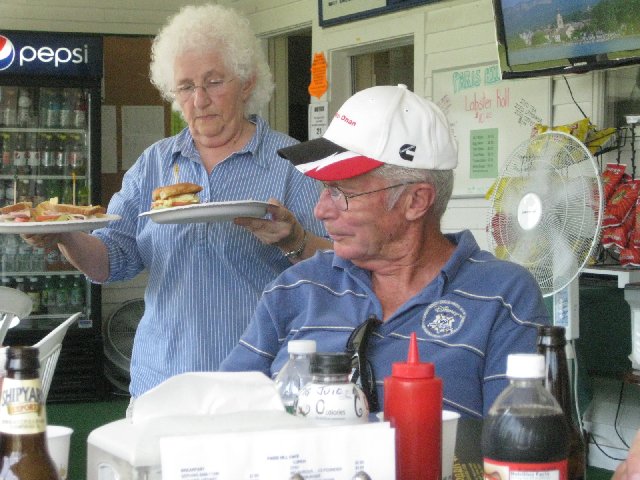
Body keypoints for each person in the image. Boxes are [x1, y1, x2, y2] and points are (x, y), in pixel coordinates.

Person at [22, 4, 330, 400]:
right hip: (162, 382)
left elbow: (337, 271)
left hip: (259, 384)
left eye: (213, 82)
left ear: (247, 82)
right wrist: (64, 234)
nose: (199, 99)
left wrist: (295, 240)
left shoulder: (290, 163)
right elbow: (111, 261)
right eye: (185, 86)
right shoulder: (154, 163)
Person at [220, 84, 551, 418]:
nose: (320, 211)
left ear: (416, 201)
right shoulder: (296, 288)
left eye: (341, 192)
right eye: (323, 189)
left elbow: (515, 440)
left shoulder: (502, 295)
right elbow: (223, 412)